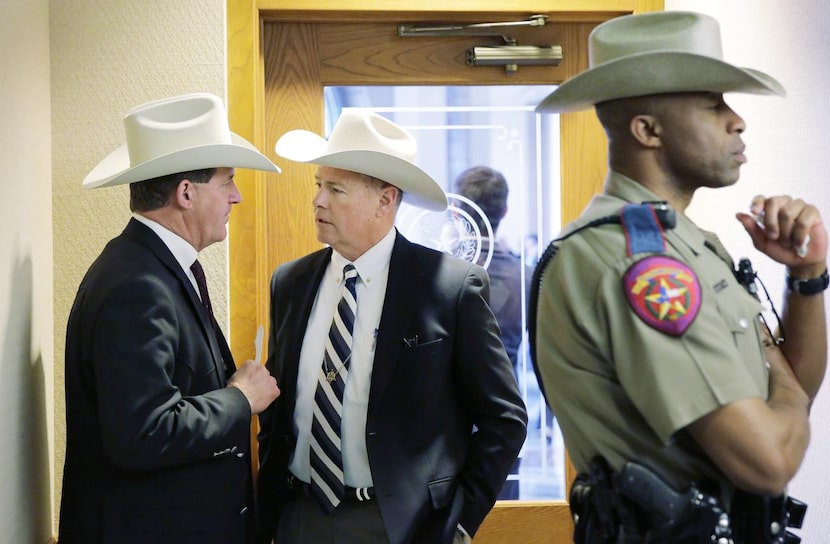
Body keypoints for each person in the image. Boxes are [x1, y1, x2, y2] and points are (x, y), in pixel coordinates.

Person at [531, 11, 826, 543]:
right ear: (648, 130)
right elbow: (768, 461)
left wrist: (806, 276)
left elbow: (795, 390)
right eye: (713, 104)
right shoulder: (634, 263)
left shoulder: (689, 245)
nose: (737, 120)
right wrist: (780, 379)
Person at [255, 110, 528, 544]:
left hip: (401, 526)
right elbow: (280, 410)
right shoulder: (290, 282)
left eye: (335, 189)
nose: (318, 201)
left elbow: (504, 419)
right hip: (299, 517)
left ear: (386, 200)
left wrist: (458, 523)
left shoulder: (449, 287)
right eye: (318, 186)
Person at [59, 93, 282, 544]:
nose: (236, 197)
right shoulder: (137, 285)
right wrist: (240, 398)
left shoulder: (148, 267)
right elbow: (144, 431)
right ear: (186, 193)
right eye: (228, 182)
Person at [453, 165, 530, 500]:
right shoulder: (525, 275)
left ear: (457, 212)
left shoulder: (441, 273)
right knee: (505, 522)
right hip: (506, 415)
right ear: (505, 212)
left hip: (449, 421)